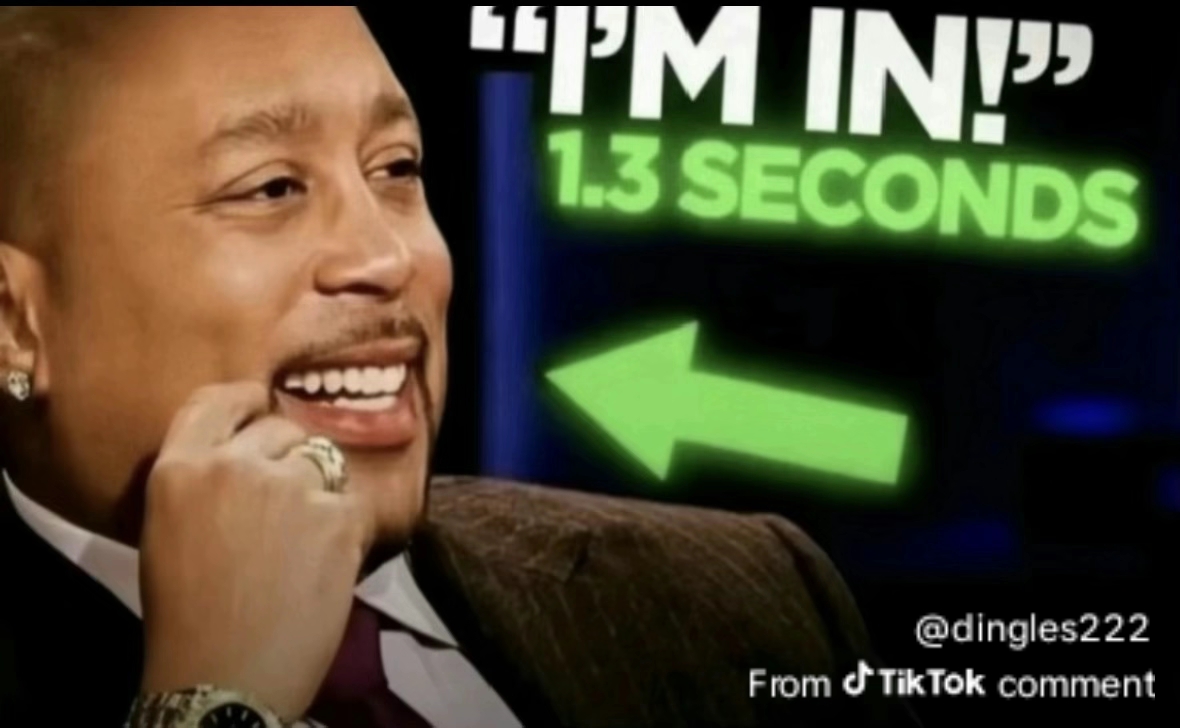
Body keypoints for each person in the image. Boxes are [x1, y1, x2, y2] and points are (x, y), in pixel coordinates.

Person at [0, 7, 918, 727]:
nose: (388, 256)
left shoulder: (746, 599)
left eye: (396, 169)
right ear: (13, 323)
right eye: (271, 187)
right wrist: (218, 700)